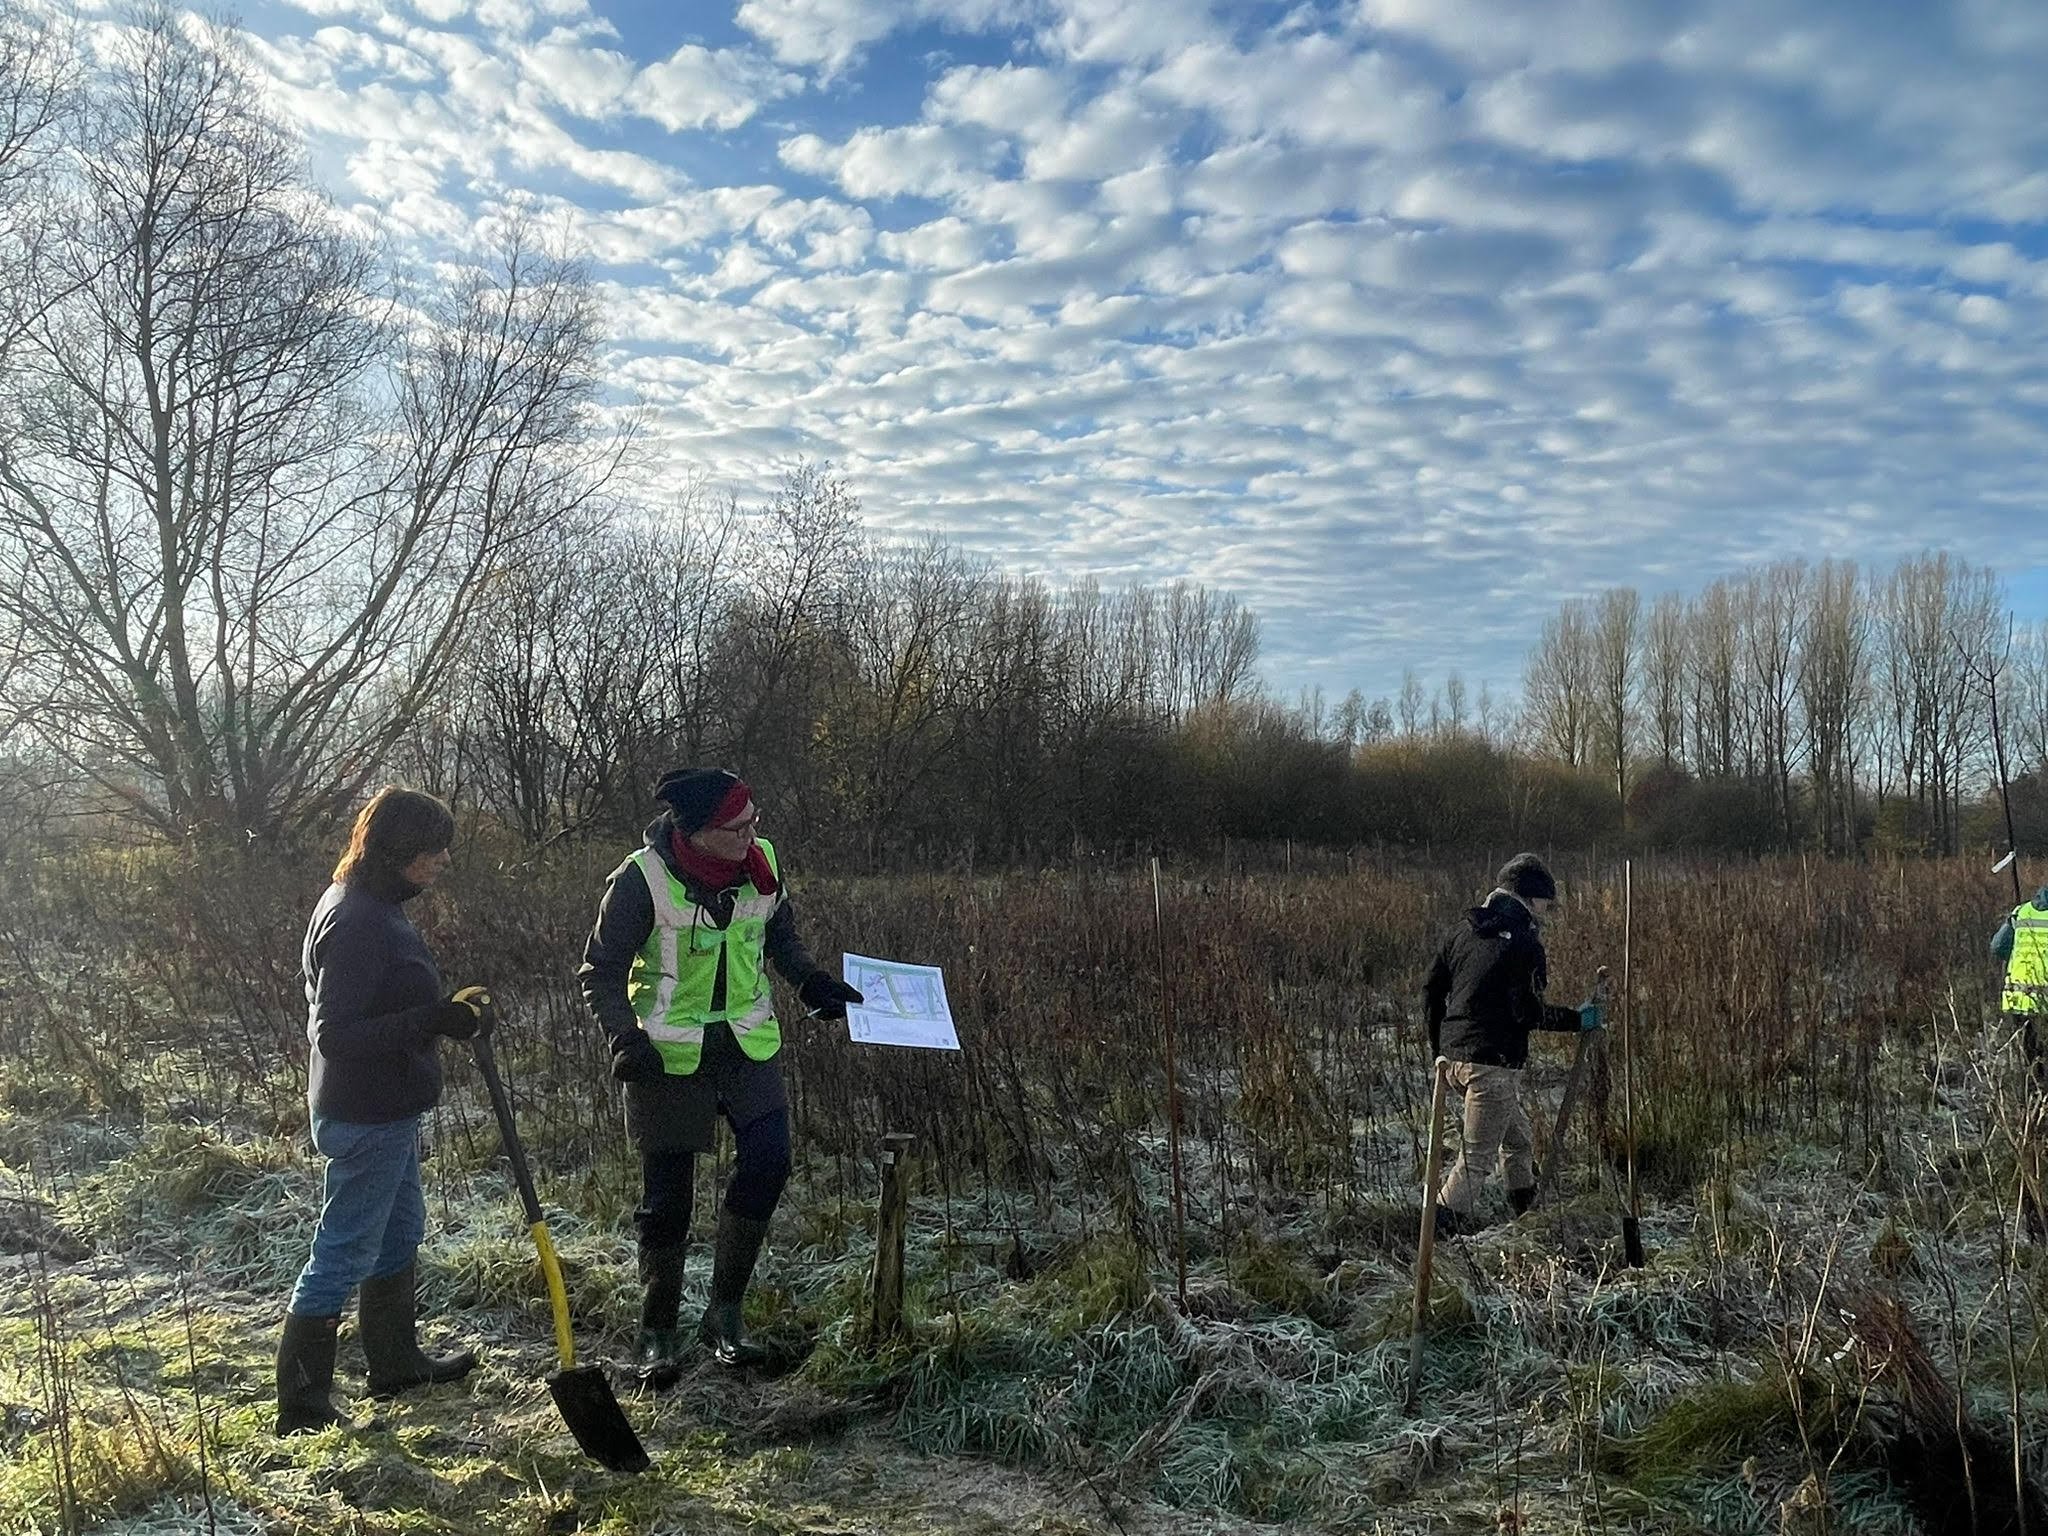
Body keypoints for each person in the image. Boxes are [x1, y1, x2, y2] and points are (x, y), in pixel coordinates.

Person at [578, 768, 862, 1383]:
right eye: (739, 827)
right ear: (699, 831)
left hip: (747, 1045)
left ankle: (724, 1315)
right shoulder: (639, 879)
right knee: (668, 1199)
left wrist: (813, 981)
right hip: (666, 1056)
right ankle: (658, 1333)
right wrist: (625, 1038)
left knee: (770, 1160)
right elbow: (599, 971)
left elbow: (778, 938)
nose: (754, 834)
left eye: (755, 820)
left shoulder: (761, 863)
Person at [276, 787, 491, 1435]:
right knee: (342, 1251)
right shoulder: (358, 921)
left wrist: (443, 1015)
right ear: (398, 852)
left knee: (399, 1234)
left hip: (388, 1109)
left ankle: (395, 1364)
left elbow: (380, 1004)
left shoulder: (373, 904)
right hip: (365, 1113)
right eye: (433, 849)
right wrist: (430, 1017)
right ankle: (303, 1409)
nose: (443, 859)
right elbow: (335, 1035)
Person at [1422, 853, 1604, 1237]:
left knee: (1517, 1139)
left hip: (1454, 1061)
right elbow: (1525, 1012)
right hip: (1494, 1065)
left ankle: (1525, 1207)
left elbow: (1432, 989)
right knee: (1475, 1160)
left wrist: (1440, 1045)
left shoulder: (1463, 929)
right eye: (1546, 903)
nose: (1548, 912)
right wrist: (1578, 1019)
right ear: (1530, 897)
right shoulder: (1524, 942)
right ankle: (1435, 1234)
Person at [1991, 878, 2048, 1092]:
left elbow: (1997, 947)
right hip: (2044, 1003)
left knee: (2032, 1058)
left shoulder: (2021, 912)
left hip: (2018, 999)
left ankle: (2033, 1102)